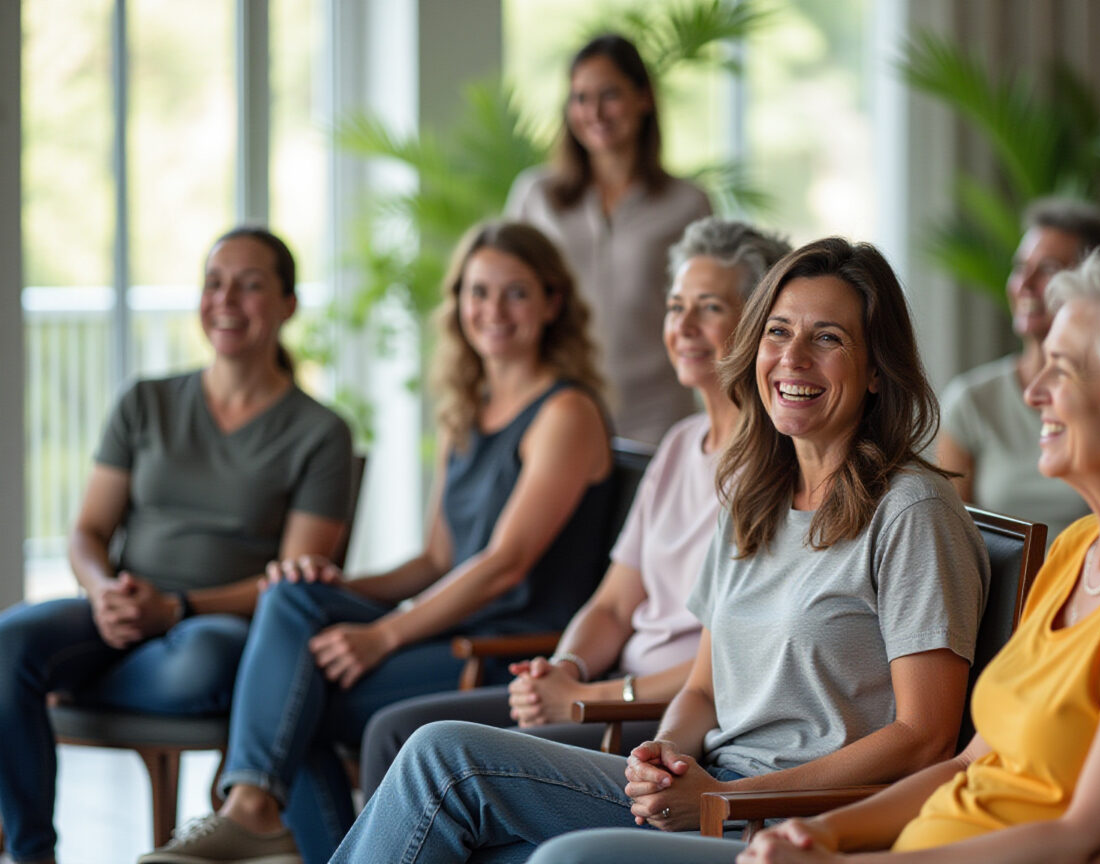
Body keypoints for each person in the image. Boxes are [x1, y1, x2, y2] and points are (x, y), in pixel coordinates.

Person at [530, 255, 1100, 864]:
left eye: (1067, 368)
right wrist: (824, 835)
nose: (1034, 392)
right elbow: (963, 766)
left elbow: (1095, 839)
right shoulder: (1087, 547)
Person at [330, 237, 991, 864]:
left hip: (786, 820)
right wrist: (663, 755)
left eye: (829, 338)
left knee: (555, 855)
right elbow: (704, 688)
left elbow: (924, 738)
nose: (794, 358)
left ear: (878, 370)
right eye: (779, 332)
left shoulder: (912, 511)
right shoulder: (755, 497)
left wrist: (723, 798)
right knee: (437, 754)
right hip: (709, 787)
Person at [138, 221, 618, 864]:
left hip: (510, 646)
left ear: (552, 303)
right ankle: (258, 812)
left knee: (296, 700)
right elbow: (436, 562)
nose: (492, 311)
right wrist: (331, 587)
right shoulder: (466, 412)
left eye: (515, 294)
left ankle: (264, 820)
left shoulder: (566, 413)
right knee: (292, 602)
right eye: (478, 293)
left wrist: (384, 635)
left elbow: (503, 566)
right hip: (449, 629)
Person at [356, 218, 792, 795]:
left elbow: (735, 666)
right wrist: (564, 670)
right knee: (394, 730)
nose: (683, 327)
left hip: (667, 721)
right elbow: (613, 605)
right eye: (674, 306)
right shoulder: (681, 445)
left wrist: (590, 697)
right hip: (610, 690)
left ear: (759, 322)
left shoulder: (777, 466)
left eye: (708, 308)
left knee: (426, 746)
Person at [0, 227, 354, 864]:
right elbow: (89, 532)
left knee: (204, 659)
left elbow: (298, 581)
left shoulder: (318, 432)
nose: (227, 300)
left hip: (215, 627)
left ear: (288, 304)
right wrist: (104, 590)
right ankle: (31, 856)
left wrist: (179, 608)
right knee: (9, 641)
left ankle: (63, 684)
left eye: (250, 286)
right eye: (215, 283)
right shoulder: (147, 401)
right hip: (121, 613)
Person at [507, 33, 713, 444]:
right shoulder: (536, 196)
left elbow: (715, 313)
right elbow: (509, 295)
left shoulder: (688, 204)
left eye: (610, 95)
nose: (594, 112)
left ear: (644, 98)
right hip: (554, 410)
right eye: (580, 98)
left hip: (657, 417)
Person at [935, 198, 1100, 539]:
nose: (1024, 284)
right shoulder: (973, 401)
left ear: (1096, 287)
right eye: (1020, 267)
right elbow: (948, 543)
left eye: (1048, 269)